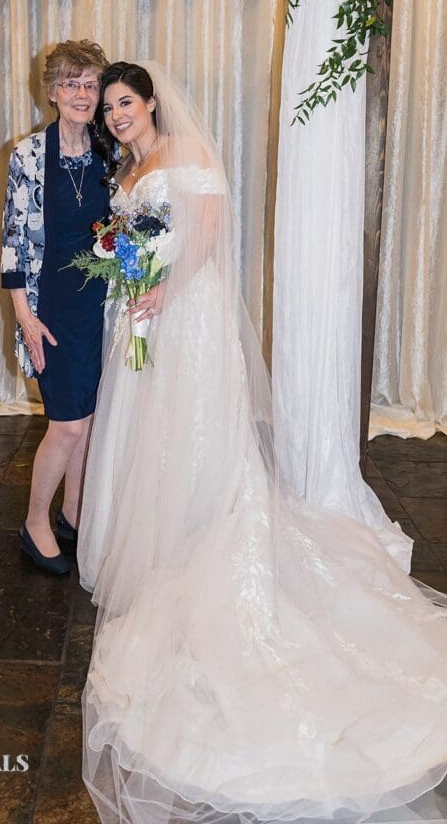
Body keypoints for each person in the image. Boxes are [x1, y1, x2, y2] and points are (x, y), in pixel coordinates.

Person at [78, 62, 447, 824]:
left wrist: (159, 292)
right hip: (140, 314)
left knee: (195, 433)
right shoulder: (132, 166)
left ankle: (208, 537)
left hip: (184, 312)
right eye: (108, 105)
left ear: (149, 101)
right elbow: (127, 238)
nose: (116, 114)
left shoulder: (188, 155)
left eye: (125, 101)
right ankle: (161, 540)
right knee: (146, 436)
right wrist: (127, 271)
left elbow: (207, 242)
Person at [1, 39, 113, 576]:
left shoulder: (107, 150)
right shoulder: (28, 154)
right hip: (50, 311)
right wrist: (25, 317)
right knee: (65, 426)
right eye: (71, 82)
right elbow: (13, 242)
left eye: (91, 84)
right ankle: (34, 522)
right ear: (50, 91)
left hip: (101, 308)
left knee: (88, 422)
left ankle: (72, 512)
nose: (82, 94)